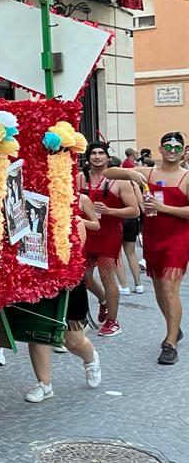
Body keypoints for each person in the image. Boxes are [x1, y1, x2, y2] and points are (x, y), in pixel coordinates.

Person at [107, 132, 189, 365]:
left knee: (169, 287)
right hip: (153, 238)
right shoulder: (148, 173)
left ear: (183, 152)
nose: (172, 151)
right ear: (160, 150)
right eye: (168, 147)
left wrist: (164, 207)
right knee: (160, 291)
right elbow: (108, 172)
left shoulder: (186, 178)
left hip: (178, 238)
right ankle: (174, 328)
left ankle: (170, 342)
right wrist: (130, 172)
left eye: (177, 147)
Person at [25, 195, 103, 402]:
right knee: (38, 332)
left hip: (67, 282)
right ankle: (44, 384)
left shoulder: (74, 220)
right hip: (37, 280)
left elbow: (74, 255)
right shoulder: (28, 211)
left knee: (73, 340)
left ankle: (90, 359)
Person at [78, 141, 139, 337]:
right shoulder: (80, 178)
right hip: (86, 233)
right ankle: (104, 300)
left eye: (100, 153)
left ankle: (113, 321)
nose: (97, 157)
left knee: (107, 276)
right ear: (87, 158)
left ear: (107, 157)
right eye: (93, 153)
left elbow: (134, 211)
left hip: (109, 234)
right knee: (83, 277)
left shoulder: (120, 181)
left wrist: (110, 210)